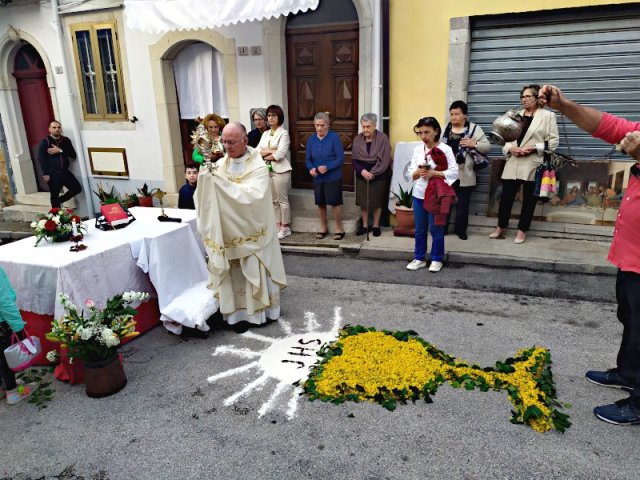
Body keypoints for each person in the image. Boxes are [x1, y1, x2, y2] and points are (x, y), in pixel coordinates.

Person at [540, 84, 640, 426]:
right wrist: (564, 105)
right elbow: (605, 125)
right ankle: (628, 372)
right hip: (631, 257)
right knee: (631, 321)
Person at [195, 122, 287, 333]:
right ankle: (234, 314)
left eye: (232, 142)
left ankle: (258, 314)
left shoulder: (258, 166)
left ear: (245, 141)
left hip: (251, 232)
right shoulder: (219, 165)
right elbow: (205, 196)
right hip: (227, 231)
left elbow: (253, 198)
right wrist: (206, 177)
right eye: (224, 141)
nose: (227, 146)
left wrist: (220, 184)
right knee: (232, 274)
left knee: (250, 269)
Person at [489, 84, 559, 244]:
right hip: (514, 161)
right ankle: (501, 227)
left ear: (537, 98)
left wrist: (534, 148)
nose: (524, 100)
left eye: (528, 96)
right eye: (522, 97)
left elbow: (554, 142)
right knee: (506, 198)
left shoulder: (547, 116)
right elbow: (503, 138)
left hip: (533, 163)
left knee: (529, 200)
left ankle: (522, 230)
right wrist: (510, 149)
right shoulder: (515, 115)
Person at [406, 117, 458, 273]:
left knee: (436, 229)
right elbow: (410, 173)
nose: (423, 136)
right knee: (420, 229)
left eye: (427, 132)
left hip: (436, 196)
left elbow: (454, 172)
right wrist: (417, 173)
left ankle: (436, 258)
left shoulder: (446, 149)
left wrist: (434, 173)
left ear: (436, 131)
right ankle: (419, 258)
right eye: (420, 132)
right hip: (419, 194)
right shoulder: (417, 149)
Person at [442, 100, 491, 240]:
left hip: (465, 173)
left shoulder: (474, 129)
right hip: (446, 174)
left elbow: (487, 147)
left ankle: (461, 230)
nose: (453, 117)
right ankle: (443, 228)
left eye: (457, 114)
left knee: (462, 205)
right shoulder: (445, 128)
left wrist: (473, 143)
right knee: (444, 203)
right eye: (451, 114)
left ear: (465, 115)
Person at [0, 267, 39, 405]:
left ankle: (2, 386)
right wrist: (18, 326)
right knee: (5, 356)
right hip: (2, 323)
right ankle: (12, 392)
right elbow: (3, 300)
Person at [305, 112, 345, 240]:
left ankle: (339, 228)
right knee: (321, 203)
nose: (320, 128)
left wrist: (328, 167)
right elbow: (308, 159)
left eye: (322, 125)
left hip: (333, 176)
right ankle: (323, 227)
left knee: (335, 203)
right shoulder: (311, 140)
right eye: (317, 125)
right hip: (318, 177)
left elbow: (340, 159)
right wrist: (311, 168)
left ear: (328, 125)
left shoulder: (334, 138)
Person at [352, 113, 392, 237]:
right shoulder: (357, 139)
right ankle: (365, 226)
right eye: (363, 127)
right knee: (363, 201)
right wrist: (362, 171)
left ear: (375, 125)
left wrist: (373, 173)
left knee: (377, 201)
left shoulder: (383, 138)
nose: (365, 130)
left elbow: (385, 159)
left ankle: (375, 225)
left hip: (378, 174)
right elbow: (354, 160)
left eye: (368, 126)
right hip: (362, 174)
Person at [257, 105, 293, 239]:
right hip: (267, 169)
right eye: (269, 115)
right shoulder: (265, 133)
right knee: (274, 200)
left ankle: (286, 226)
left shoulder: (283, 133)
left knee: (282, 200)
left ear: (279, 117)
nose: (270, 118)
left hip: (281, 170)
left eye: (274, 115)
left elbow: (280, 154)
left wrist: (266, 154)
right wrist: (271, 151)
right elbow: (256, 151)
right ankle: (277, 225)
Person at [37, 120, 82, 208]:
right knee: (54, 195)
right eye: (54, 127)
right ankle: (56, 217)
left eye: (58, 127)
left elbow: (73, 155)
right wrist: (45, 173)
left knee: (76, 188)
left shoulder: (65, 140)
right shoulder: (46, 141)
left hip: (65, 172)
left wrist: (60, 150)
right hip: (53, 174)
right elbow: (41, 158)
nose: (57, 129)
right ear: (49, 129)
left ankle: (60, 200)